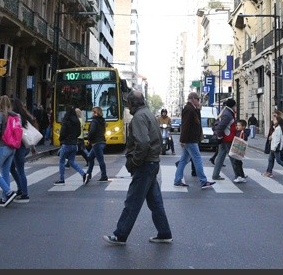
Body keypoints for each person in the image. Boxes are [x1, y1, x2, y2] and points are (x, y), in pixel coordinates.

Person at [104, 89, 172, 245]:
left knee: (133, 201)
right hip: (152, 162)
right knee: (155, 202)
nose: (127, 107)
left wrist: (134, 162)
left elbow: (143, 143)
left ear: (133, 103)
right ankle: (164, 233)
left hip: (144, 164)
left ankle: (120, 235)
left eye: (128, 103)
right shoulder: (149, 114)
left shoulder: (138, 117)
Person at [173, 91, 215, 189]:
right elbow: (185, 125)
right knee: (197, 159)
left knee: (183, 160)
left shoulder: (191, 109)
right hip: (190, 139)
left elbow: (196, 121)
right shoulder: (189, 109)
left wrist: (198, 110)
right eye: (198, 99)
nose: (199, 102)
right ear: (193, 99)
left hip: (189, 138)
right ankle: (203, 181)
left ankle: (177, 180)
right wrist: (182, 140)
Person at [10, 97, 36, 203]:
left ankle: (24, 194)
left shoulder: (16, 117)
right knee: (12, 167)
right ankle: (20, 189)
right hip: (25, 146)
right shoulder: (25, 116)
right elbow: (30, 132)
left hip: (19, 146)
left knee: (20, 170)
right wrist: (33, 147)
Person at [55, 104, 88, 185]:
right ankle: (83, 174)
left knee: (62, 161)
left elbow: (62, 133)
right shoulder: (77, 121)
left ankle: (61, 179)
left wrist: (61, 139)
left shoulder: (66, 121)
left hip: (66, 144)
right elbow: (79, 133)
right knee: (72, 161)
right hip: (74, 144)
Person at [211, 98, 237, 180]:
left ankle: (215, 175)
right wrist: (219, 137)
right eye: (235, 106)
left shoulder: (225, 112)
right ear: (233, 106)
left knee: (221, 156)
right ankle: (239, 174)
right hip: (227, 138)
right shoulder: (228, 114)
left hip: (224, 138)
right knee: (233, 156)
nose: (236, 107)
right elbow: (220, 127)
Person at [264, 112, 283, 179]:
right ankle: (269, 172)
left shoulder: (279, 128)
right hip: (273, 146)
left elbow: (278, 139)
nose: (273, 119)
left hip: (276, 147)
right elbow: (275, 135)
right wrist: (271, 137)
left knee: (279, 160)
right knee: (270, 159)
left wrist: (274, 147)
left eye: (275, 117)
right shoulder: (276, 127)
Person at [86, 106, 109, 182]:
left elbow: (92, 131)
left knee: (100, 160)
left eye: (92, 111)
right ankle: (88, 174)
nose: (91, 113)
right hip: (102, 141)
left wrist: (89, 139)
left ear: (95, 112)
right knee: (90, 157)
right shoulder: (102, 120)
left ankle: (104, 176)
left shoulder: (94, 121)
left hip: (97, 143)